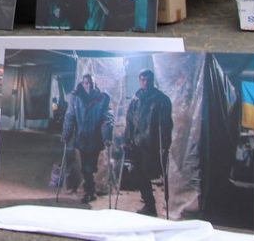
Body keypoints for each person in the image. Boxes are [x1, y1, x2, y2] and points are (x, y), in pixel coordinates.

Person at [124, 68, 173, 216]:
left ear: (152, 80)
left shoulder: (161, 99)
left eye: (148, 80)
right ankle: (149, 204)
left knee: (149, 173)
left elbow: (166, 124)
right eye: (142, 80)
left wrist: (165, 144)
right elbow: (130, 120)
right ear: (140, 81)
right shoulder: (136, 99)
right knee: (139, 174)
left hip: (152, 144)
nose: (145, 82)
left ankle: (154, 205)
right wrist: (127, 139)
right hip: (137, 143)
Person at [62, 73, 113, 203]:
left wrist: (107, 136)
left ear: (95, 84)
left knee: (90, 166)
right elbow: (70, 117)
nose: (88, 85)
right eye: (86, 83)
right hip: (82, 137)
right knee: (85, 166)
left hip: (95, 138)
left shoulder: (102, 98)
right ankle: (90, 190)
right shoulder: (76, 97)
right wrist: (66, 134)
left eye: (91, 83)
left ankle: (89, 190)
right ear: (82, 84)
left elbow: (106, 119)